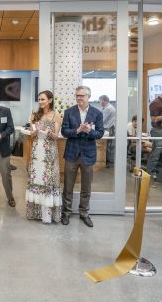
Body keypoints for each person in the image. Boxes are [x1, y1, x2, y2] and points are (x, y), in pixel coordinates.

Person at [61, 85, 104, 227]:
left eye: (82, 95)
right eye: (77, 95)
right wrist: (78, 130)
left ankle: (84, 213)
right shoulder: (69, 112)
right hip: (71, 154)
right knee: (68, 186)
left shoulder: (97, 113)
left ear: (88, 97)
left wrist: (89, 131)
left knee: (86, 187)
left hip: (88, 155)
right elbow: (64, 132)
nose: (79, 98)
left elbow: (100, 133)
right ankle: (66, 213)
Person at [26, 90, 62, 224]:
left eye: (43, 99)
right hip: (37, 150)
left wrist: (49, 132)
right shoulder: (35, 115)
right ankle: (35, 213)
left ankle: (48, 215)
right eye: (39, 99)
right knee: (36, 178)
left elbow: (56, 137)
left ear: (50, 100)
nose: (40, 102)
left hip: (50, 151)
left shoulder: (56, 116)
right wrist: (35, 130)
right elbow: (31, 134)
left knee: (49, 180)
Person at [99, 95, 116, 166]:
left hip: (108, 128)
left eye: (100, 100)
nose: (99, 102)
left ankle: (107, 161)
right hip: (110, 127)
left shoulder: (108, 109)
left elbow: (102, 120)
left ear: (104, 100)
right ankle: (109, 161)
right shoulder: (110, 107)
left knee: (106, 145)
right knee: (110, 145)